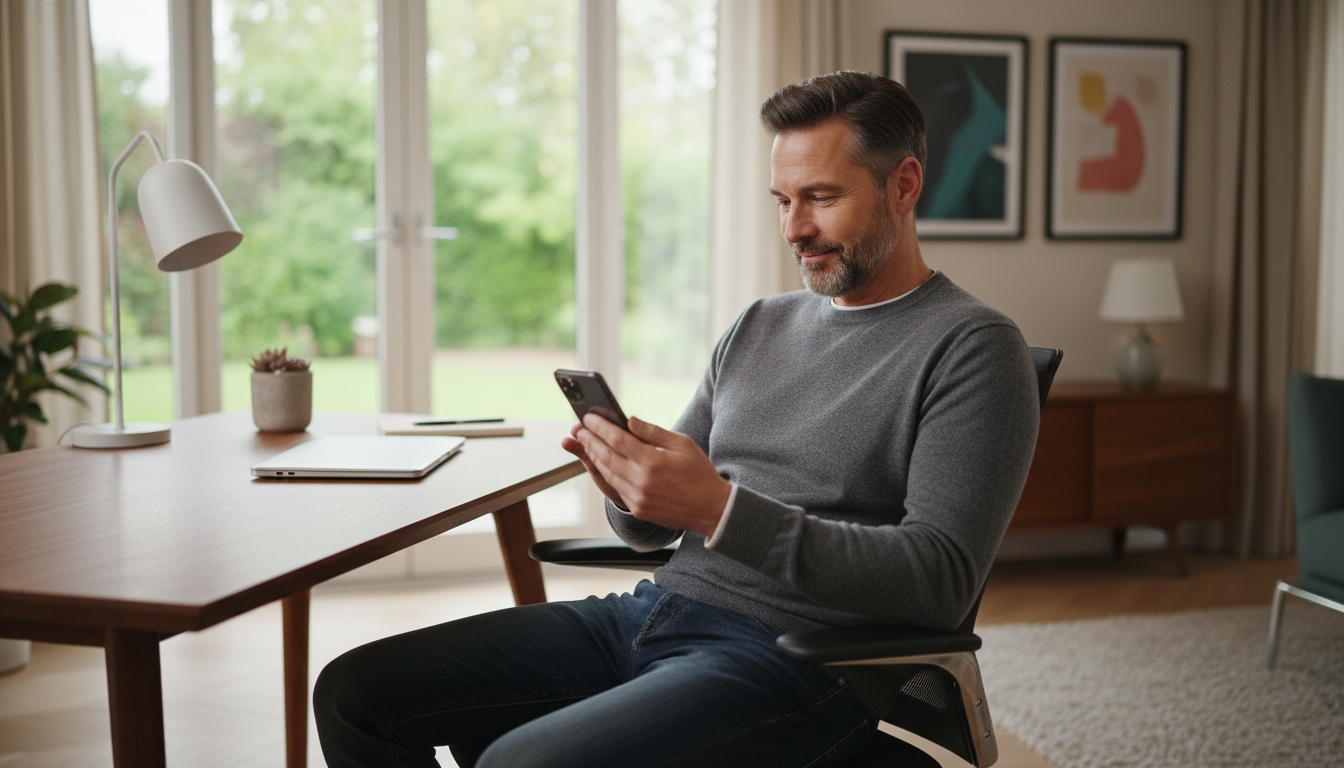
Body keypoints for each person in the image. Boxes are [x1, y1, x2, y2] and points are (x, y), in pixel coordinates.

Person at [313, 70, 1040, 768]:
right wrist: (631, 482)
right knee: (355, 694)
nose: (795, 228)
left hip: (801, 661)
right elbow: (648, 529)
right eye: (781, 200)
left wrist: (720, 508)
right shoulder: (760, 323)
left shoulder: (973, 347)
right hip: (652, 612)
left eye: (820, 197)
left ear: (903, 185)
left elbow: (939, 580)